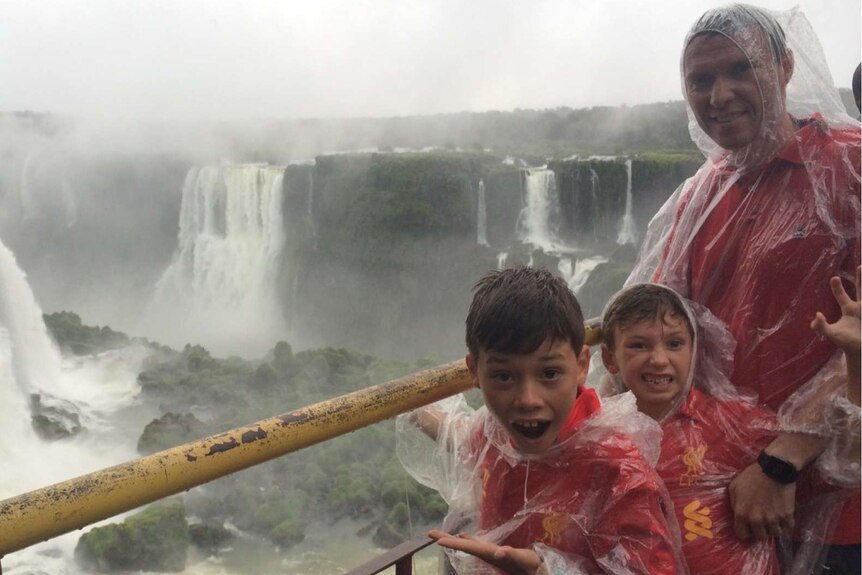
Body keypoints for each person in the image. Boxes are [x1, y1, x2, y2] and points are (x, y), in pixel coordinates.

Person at [627, 4, 861, 570]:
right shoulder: (697, 197)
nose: (720, 94)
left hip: (838, 501)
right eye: (701, 80)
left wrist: (782, 463)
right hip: (723, 497)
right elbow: (649, 327)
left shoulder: (849, 167)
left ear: (783, 67)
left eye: (740, 69)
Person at [396, 267, 686, 574]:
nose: (528, 400)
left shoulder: (618, 474)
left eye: (549, 374)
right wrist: (411, 408)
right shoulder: (495, 433)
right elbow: (465, 437)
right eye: (503, 376)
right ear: (474, 372)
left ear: (581, 366)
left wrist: (547, 571)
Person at [599, 282, 781, 574]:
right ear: (610, 359)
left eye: (674, 344)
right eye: (638, 345)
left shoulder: (727, 423)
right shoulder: (601, 435)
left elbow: (838, 450)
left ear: (693, 350)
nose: (659, 359)